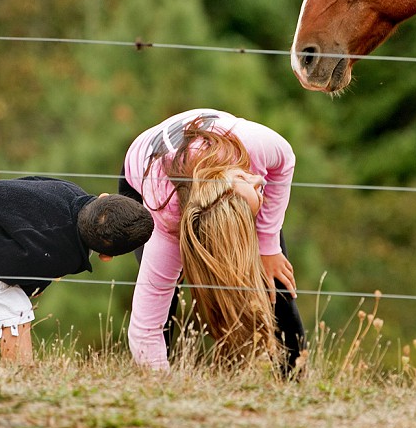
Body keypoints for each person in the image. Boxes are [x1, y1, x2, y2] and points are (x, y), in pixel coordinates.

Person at [119, 109, 306, 374]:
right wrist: (161, 392)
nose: (259, 179)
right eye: (250, 183)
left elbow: (284, 160)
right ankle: (163, 367)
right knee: (163, 296)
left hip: (213, 159)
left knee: (276, 278)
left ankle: (293, 378)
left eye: (256, 189)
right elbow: (144, 330)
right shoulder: (165, 229)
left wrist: (268, 245)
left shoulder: (256, 149)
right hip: (141, 173)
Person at [0, 176, 154, 363]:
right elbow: (2, 263)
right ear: (106, 257)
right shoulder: (60, 250)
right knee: (16, 311)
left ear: (103, 198)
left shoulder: (70, 191)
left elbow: (29, 182)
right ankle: (18, 378)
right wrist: (33, 285)